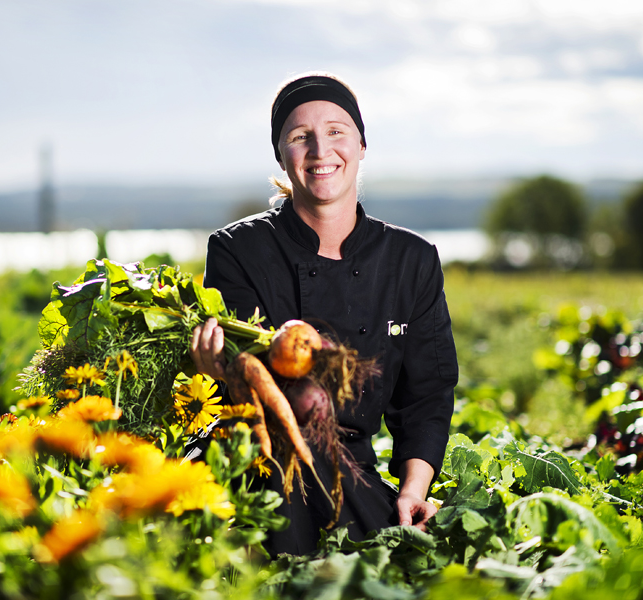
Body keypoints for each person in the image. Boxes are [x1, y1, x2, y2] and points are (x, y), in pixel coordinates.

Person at [191, 72, 457, 556]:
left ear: (361, 144)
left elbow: (427, 394)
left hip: (350, 471)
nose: (320, 150)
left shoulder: (411, 260)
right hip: (257, 463)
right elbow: (250, 382)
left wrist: (413, 492)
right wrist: (221, 374)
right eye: (300, 137)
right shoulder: (237, 249)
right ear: (281, 155)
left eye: (336, 131)